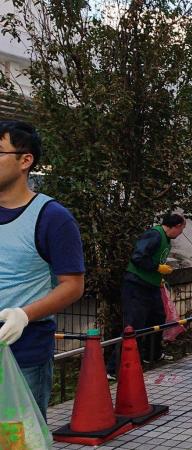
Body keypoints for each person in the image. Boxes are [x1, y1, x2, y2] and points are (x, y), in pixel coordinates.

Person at [0, 120, 85, 420]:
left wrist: (23, 315)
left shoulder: (52, 217)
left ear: (25, 160)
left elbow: (72, 285)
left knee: (19, 436)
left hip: (22, 352)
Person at [106, 213, 186, 379]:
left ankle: (152, 354)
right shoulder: (154, 235)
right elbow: (138, 257)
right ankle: (114, 368)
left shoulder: (166, 239)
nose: (181, 234)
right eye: (182, 230)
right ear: (177, 226)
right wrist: (157, 267)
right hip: (136, 285)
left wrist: (159, 273)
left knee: (158, 317)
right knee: (133, 325)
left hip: (152, 285)